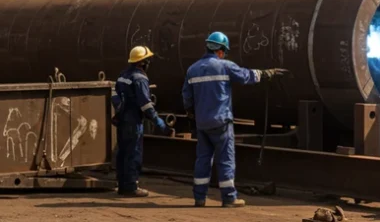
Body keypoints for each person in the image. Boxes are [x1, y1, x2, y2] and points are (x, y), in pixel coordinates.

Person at [182, 31, 287, 208]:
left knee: (203, 159)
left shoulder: (192, 69)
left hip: (202, 123)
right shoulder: (225, 66)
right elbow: (246, 76)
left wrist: (192, 114)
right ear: (221, 50)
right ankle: (229, 198)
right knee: (225, 159)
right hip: (221, 122)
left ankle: (199, 198)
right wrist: (267, 73)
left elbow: (186, 97)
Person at [112, 45, 173, 197]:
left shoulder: (123, 75)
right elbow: (145, 104)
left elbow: (114, 93)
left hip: (122, 120)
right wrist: (159, 123)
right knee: (134, 153)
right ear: (143, 62)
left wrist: (120, 109)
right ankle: (131, 187)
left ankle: (122, 184)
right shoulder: (140, 78)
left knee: (123, 152)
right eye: (147, 60)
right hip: (133, 121)